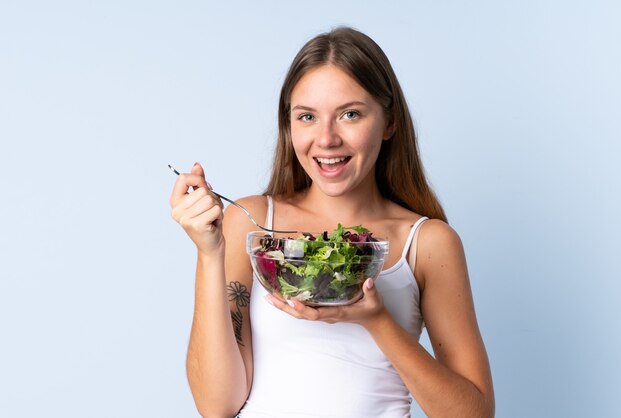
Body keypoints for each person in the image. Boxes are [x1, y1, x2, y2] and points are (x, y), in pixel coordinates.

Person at [170, 27, 494, 418]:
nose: (326, 139)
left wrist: (375, 319)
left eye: (350, 114)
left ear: (389, 122)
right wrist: (209, 253)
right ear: (289, 126)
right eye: (307, 116)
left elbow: (473, 413)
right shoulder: (249, 224)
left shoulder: (427, 242)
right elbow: (216, 405)